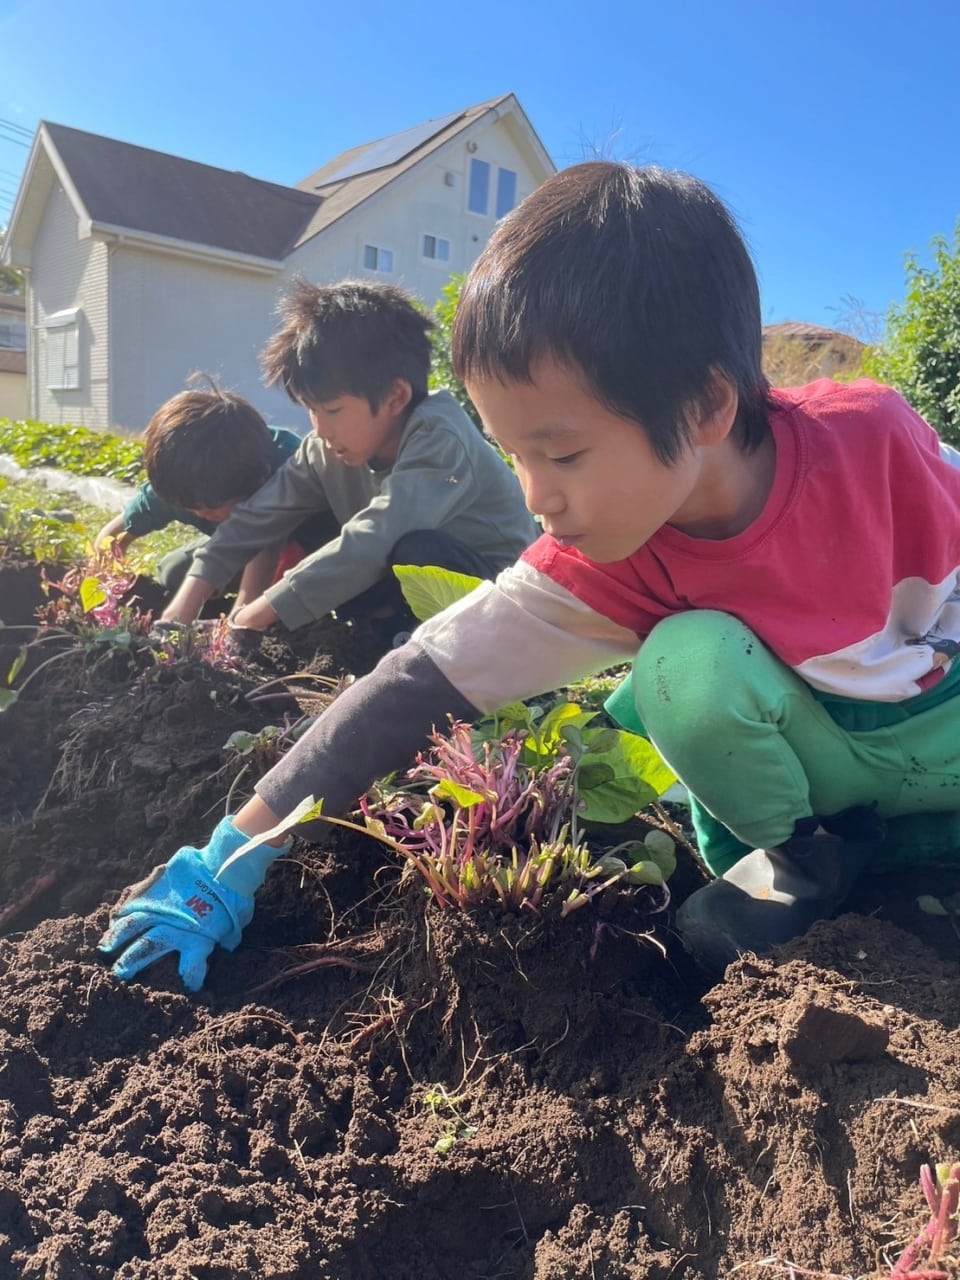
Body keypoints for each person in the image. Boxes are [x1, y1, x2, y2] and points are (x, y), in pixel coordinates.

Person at [99, 162, 960, 992]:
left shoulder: (873, 440)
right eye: (513, 457)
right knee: (681, 670)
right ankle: (819, 861)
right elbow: (414, 684)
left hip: (944, 724)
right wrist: (229, 857)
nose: (538, 498)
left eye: (563, 453)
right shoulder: (606, 557)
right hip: (835, 771)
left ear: (704, 407)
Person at [157, 279, 538, 645]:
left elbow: (378, 536)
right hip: (403, 580)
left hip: (496, 591)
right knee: (321, 534)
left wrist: (250, 617)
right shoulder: (327, 449)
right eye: (311, 410)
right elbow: (259, 516)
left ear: (395, 397)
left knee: (417, 551)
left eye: (333, 410)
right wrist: (182, 609)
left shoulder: (441, 438)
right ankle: (388, 632)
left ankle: (420, 646)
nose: (321, 429)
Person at [95, 386, 331, 604]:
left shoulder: (286, 466)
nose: (201, 514)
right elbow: (112, 537)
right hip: (238, 545)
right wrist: (108, 584)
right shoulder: (181, 483)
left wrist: (245, 616)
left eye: (212, 508)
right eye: (192, 508)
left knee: (285, 592)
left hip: (308, 539)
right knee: (174, 570)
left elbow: (266, 549)